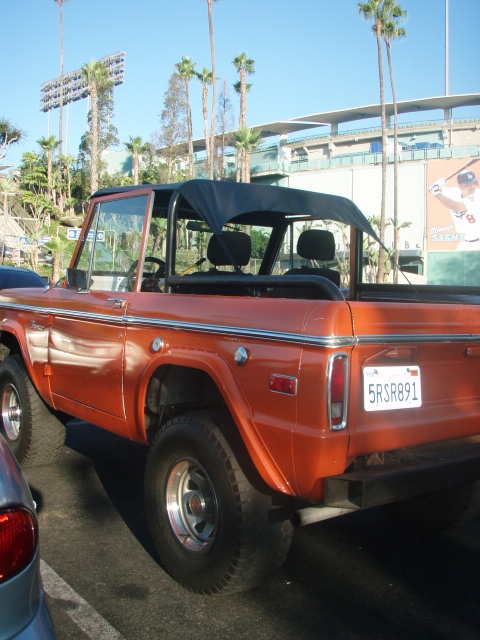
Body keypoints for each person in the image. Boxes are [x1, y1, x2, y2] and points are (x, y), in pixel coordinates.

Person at [429, 169, 480, 250]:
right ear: (460, 186)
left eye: (474, 183)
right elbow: (433, 188)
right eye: (467, 184)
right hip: (463, 243)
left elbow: (455, 206)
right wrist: (440, 183)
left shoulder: (477, 195)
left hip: (478, 243)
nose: (472, 187)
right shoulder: (455, 191)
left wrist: (436, 193)